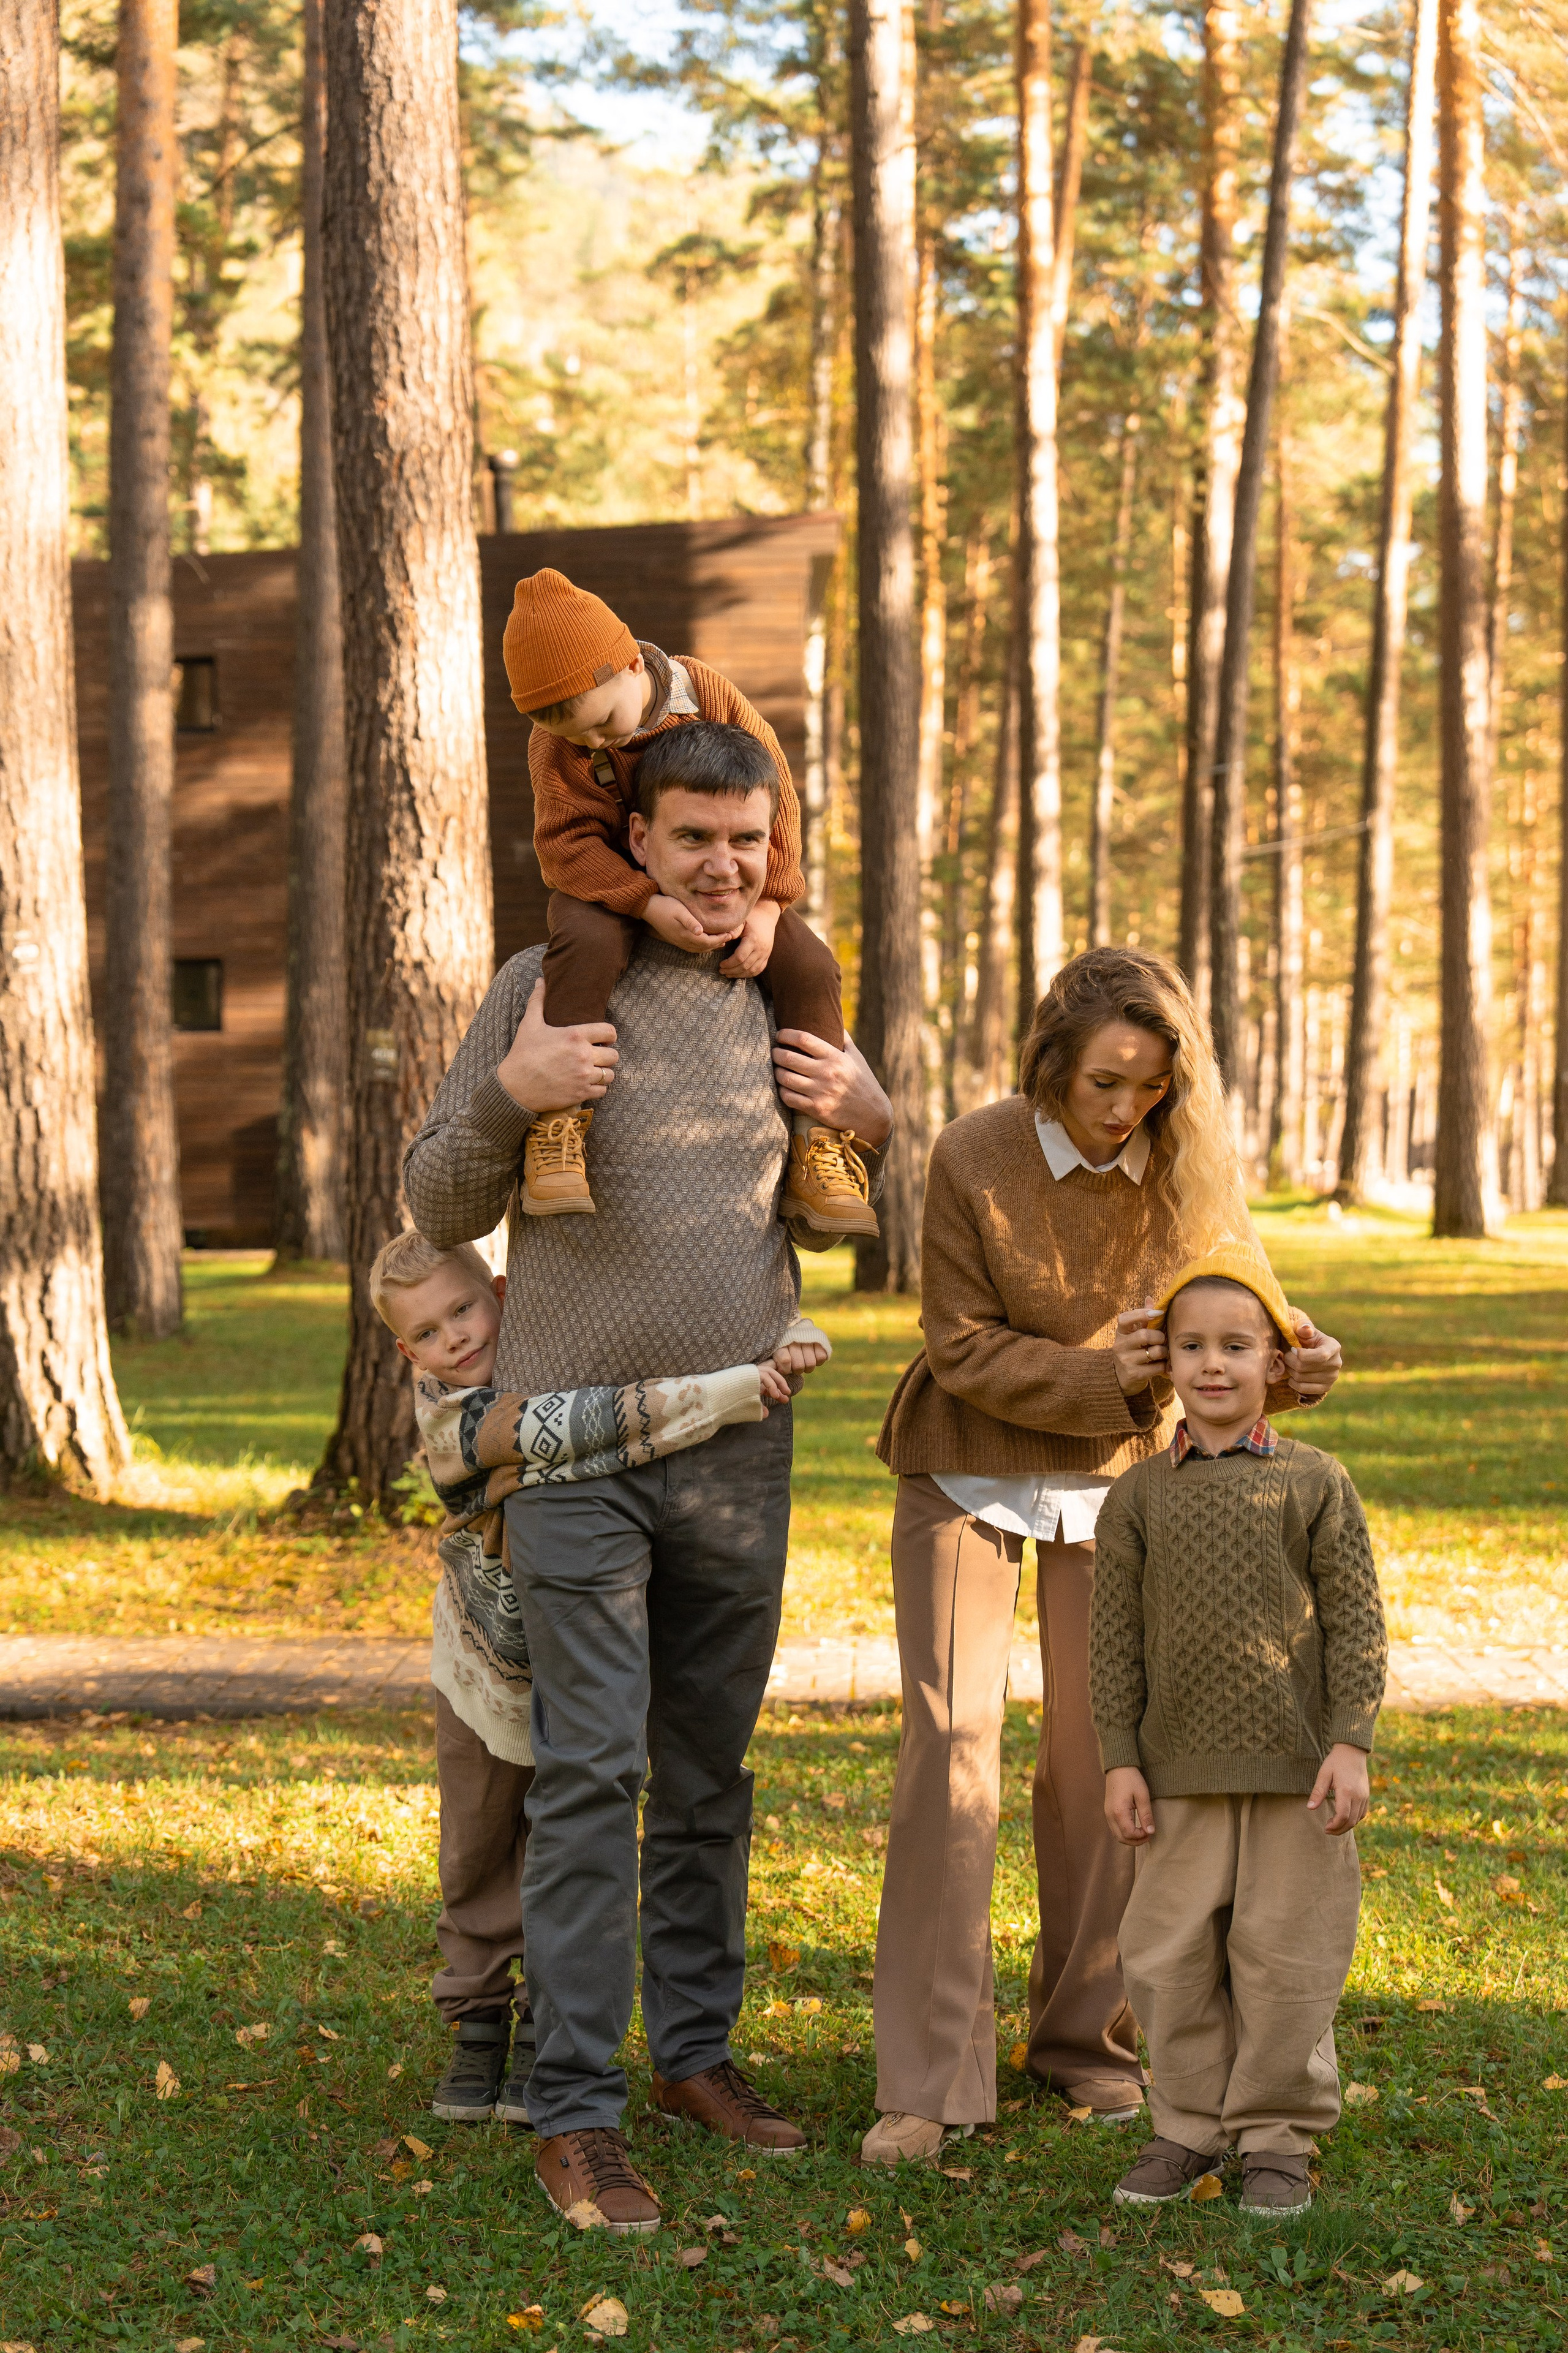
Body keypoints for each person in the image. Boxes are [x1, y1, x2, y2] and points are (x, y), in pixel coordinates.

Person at [402, 742, 893, 2232]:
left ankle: (692, 2055)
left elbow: (865, 1209)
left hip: (738, 1443)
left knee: (705, 1768)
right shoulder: (548, 982)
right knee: (588, 1769)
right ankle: (573, 2108)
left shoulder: (783, 992)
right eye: (692, 837)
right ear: (634, 836)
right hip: (571, 1450)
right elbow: (436, 1197)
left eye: (747, 838)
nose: (723, 865)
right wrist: (514, 1090)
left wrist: (876, 1117)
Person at [862, 946, 1345, 2165]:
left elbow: (1244, 1321)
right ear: (1050, 1066)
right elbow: (958, 1344)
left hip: (1120, 1492)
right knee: (951, 1755)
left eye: (1151, 1085)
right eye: (1104, 1083)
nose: (1128, 1107)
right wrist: (1098, 1375)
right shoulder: (972, 1153)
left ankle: (1083, 2039)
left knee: (1099, 1764)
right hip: (964, 1467)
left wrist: (1300, 1362)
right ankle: (929, 2077)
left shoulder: (1190, 1167)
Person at [368, 1229, 823, 2126]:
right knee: (480, 1839)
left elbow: (608, 1410)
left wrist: (787, 1331)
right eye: (426, 1332)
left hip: (572, 1645)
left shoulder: (555, 1348)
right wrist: (735, 1387)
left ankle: (548, 2021)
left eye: (463, 1309)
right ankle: (477, 2018)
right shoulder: (450, 1411)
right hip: (488, 1665)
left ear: (504, 1291)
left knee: (572, 1814)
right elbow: (591, 1428)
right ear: (407, 1353)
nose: (454, 1337)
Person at [1091, 1251, 1387, 2217]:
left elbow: (1357, 1620)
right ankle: (1186, 2124)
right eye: (1191, 1347)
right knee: (1166, 1955)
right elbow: (1113, 1642)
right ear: (1166, 1361)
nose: (1212, 1364)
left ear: (1277, 1362)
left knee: (1287, 1956)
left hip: (1299, 1774)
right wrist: (1121, 1760)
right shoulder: (1138, 1496)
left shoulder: (1316, 1480)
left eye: (1236, 1346)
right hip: (1176, 1771)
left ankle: (1276, 2134)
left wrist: (1350, 1740)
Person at [502, 567, 875, 1239]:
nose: (595, 744)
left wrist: (768, 908)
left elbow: (777, 801)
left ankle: (818, 1142)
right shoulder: (557, 743)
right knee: (585, 944)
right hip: (608, 883)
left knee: (812, 966)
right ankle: (557, 1127)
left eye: (602, 723)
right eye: (577, 738)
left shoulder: (703, 691)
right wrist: (642, 901)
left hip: (721, 880)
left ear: (628, 668)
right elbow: (563, 844)